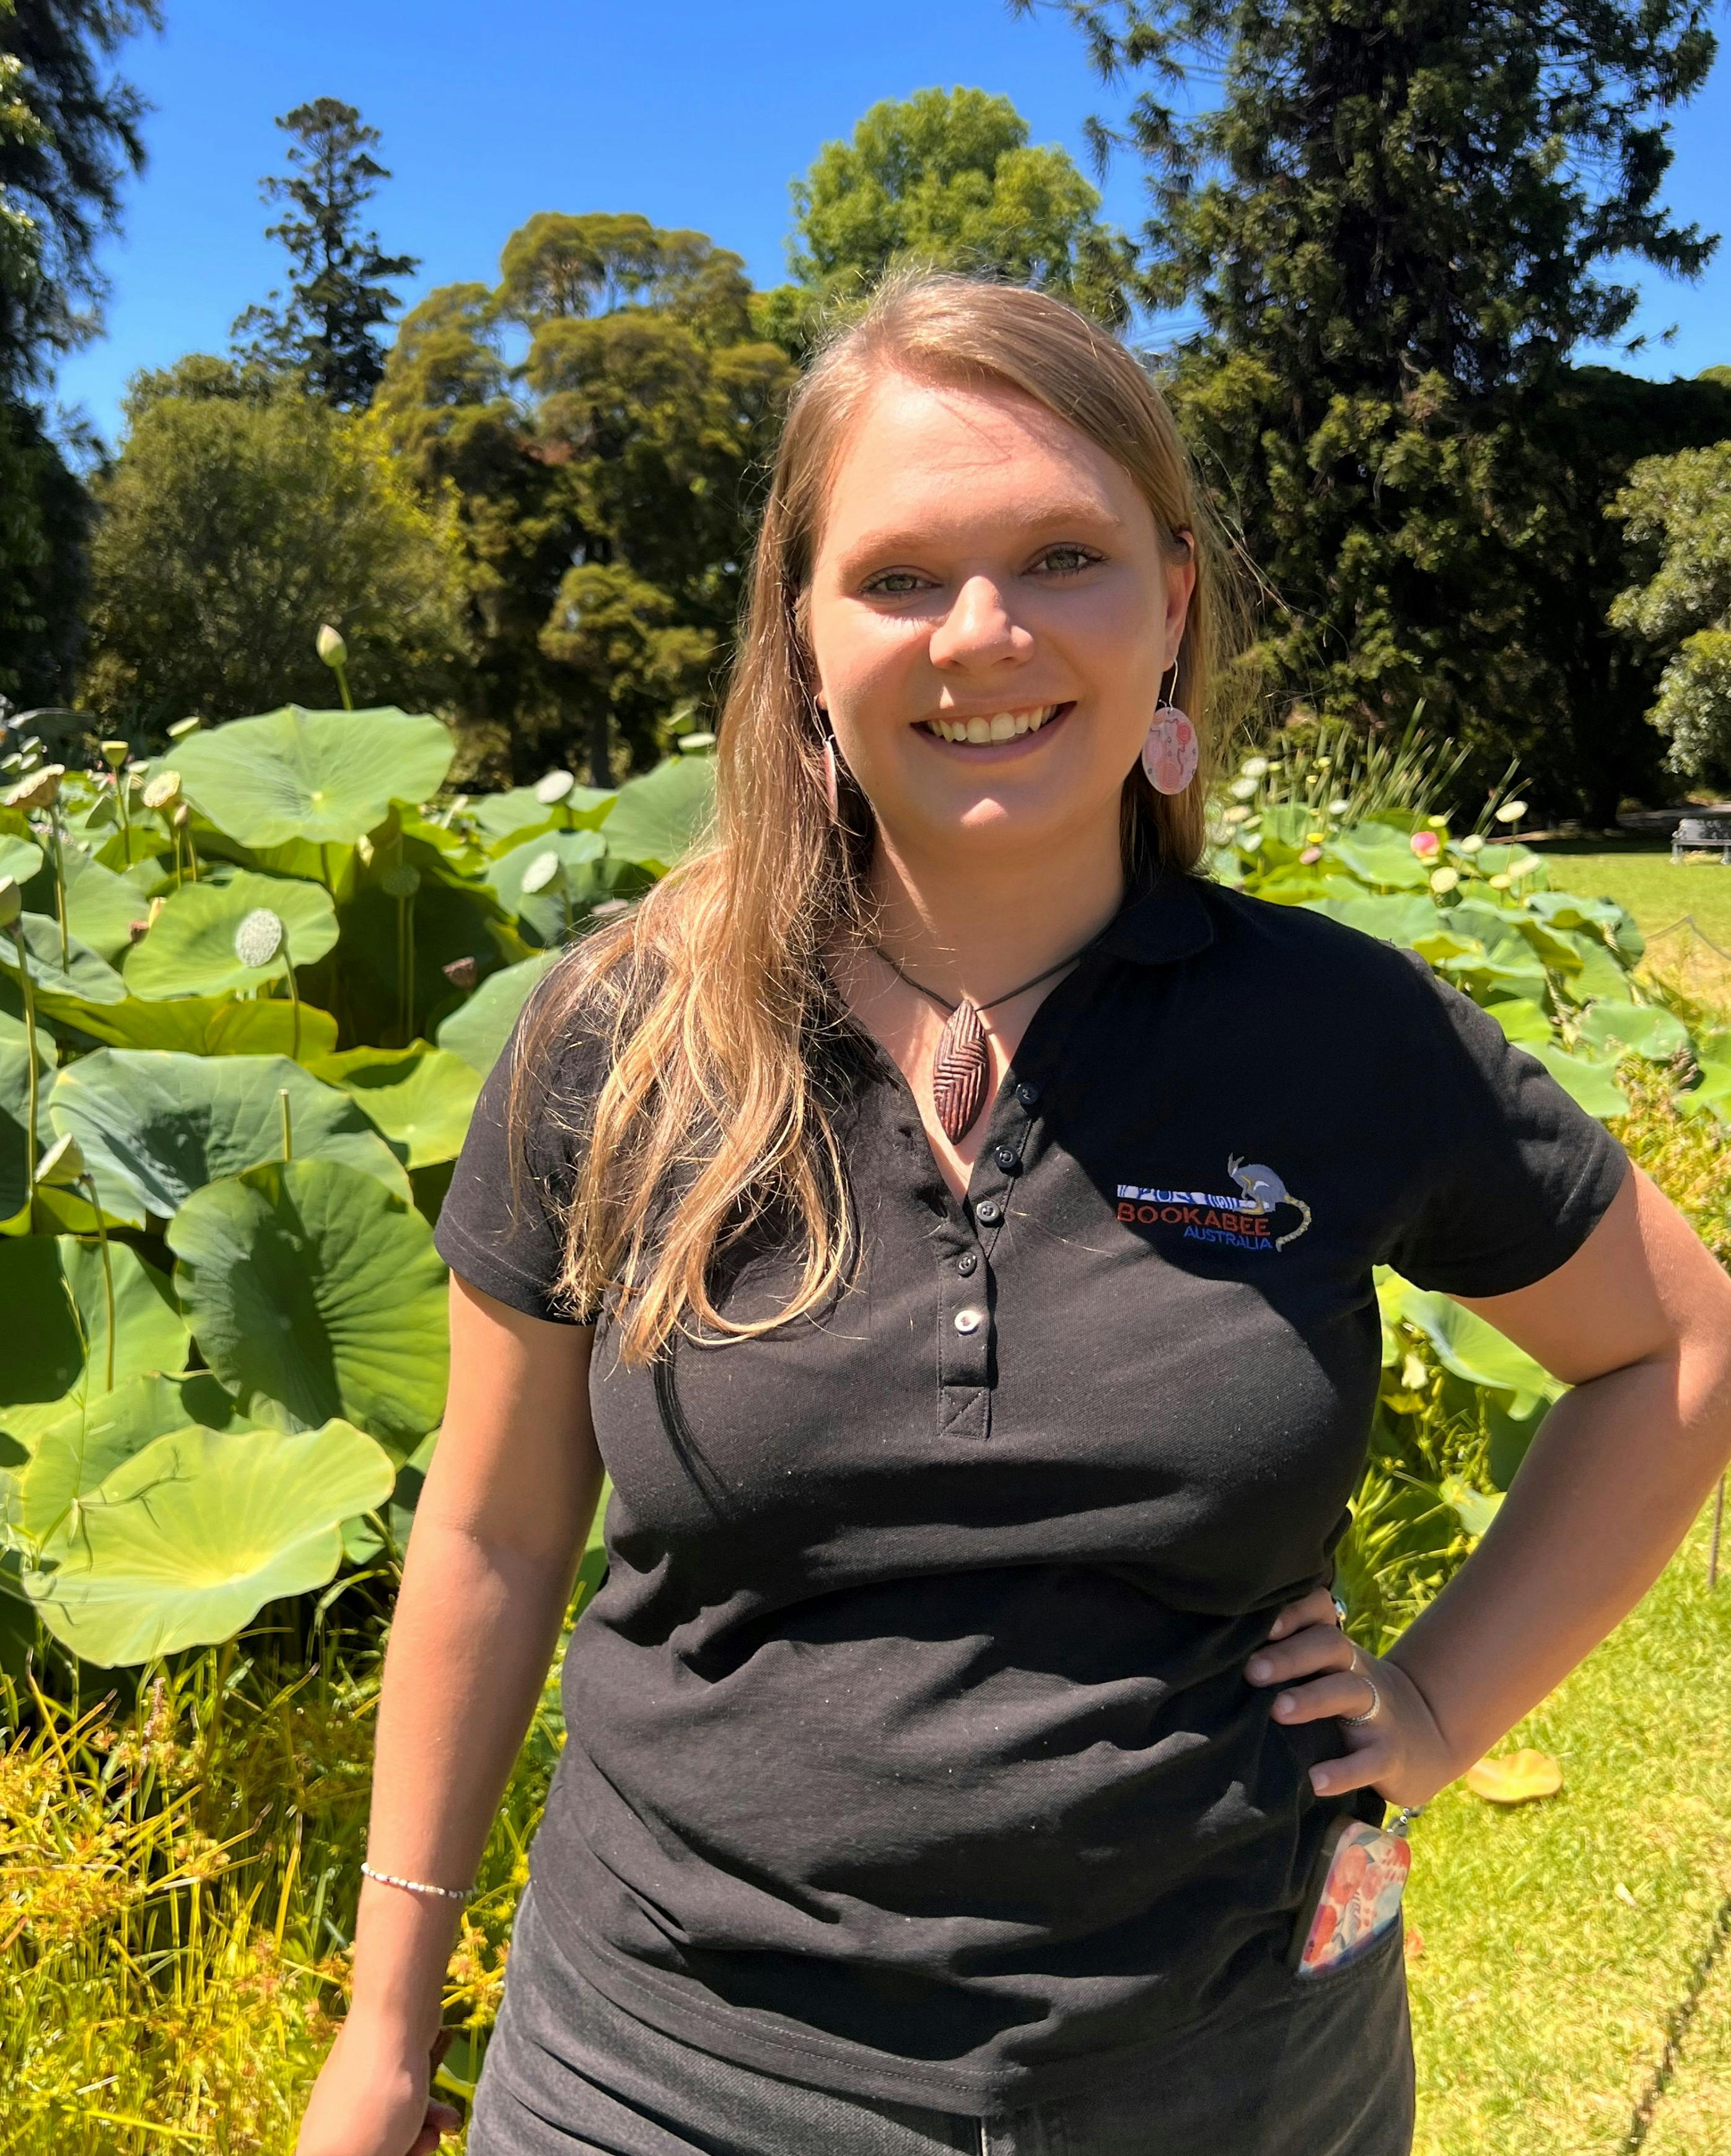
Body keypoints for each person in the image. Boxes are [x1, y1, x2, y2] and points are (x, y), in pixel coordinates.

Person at [294, 275, 1731, 2156]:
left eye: (1062, 553)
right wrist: (386, 2027)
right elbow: (485, 1536)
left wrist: (1439, 1711)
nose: (984, 636)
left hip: (1233, 2076)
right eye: (898, 577)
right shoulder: (621, 1043)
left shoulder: (1335, 1032)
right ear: (799, 637)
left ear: (1172, 601)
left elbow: (1676, 1344)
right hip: (671, 2081)